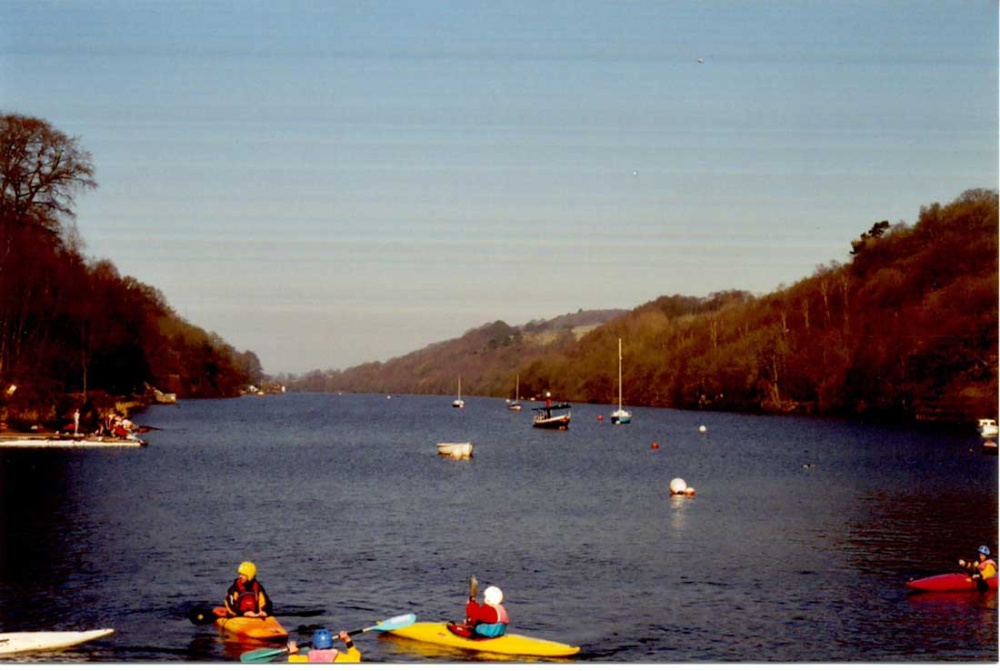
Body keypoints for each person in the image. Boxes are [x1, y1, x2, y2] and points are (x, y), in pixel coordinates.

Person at [286, 629, 360, 663]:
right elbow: (355, 657)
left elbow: (292, 661)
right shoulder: (344, 659)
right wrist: (347, 639)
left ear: (314, 645)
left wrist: (293, 653)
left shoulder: (305, 660)